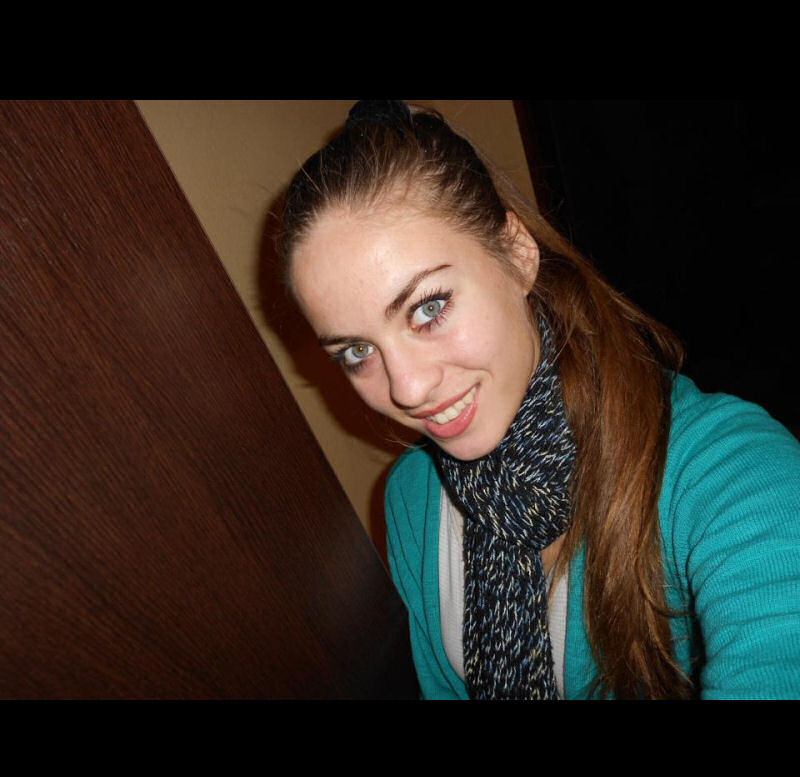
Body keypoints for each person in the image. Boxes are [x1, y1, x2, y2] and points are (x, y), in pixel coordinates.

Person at [279, 100, 800, 700]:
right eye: (356, 351)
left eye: (429, 308)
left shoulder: (729, 470)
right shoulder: (410, 499)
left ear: (518, 254)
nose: (407, 389)